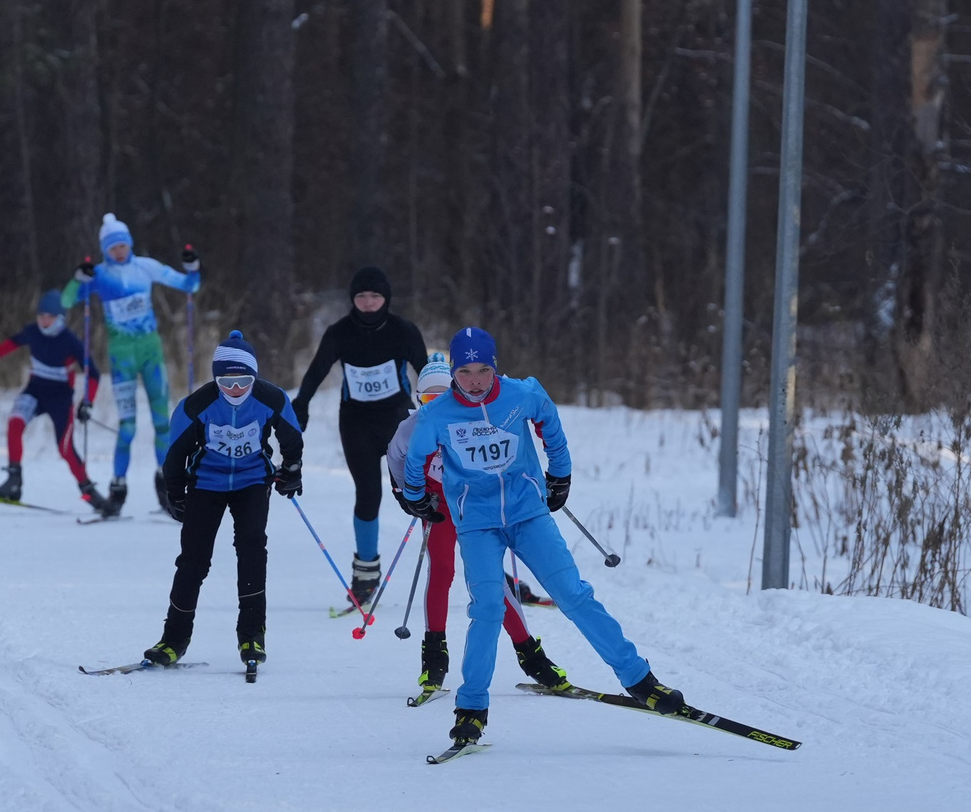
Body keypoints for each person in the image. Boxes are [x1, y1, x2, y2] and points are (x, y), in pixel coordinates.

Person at [397, 325, 681, 753]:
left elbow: (550, 421)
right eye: (465, 373)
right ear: (453, 373)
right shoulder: (438, 414)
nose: (474, 381)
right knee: (487, 608)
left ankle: (640, 680)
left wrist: (560, 473)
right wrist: (417, 497)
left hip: (528, 513)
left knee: (573, 594)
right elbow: (415, 457)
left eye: (483, 370)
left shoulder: (521, 393)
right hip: (477, 522)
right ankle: (471, 708)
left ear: (495, 367)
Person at [383, 350, 565, 697]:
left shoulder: (474, 417)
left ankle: (530, 655)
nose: (435, 406)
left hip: (474, 508)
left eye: (442, 397)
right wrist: (407, 495)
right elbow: (394, 457)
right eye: (427, 399)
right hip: (440, 509)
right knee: (441, 571)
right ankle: (434, 657)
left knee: (489, 583)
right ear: (418, 399)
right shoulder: (412, 426)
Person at [142, 331, 304, 678]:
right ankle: (173, 639)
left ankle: (252, 636)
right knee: (193, 560)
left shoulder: (271, 398)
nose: (235, 389)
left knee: (251, 550)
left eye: (243, 381)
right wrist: (175, 494)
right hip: (207, 484)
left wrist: (292, 470)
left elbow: (292, 436)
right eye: (226, 382)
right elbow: (175, 455)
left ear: (254, 377)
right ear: (216, 380)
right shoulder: (196, 405)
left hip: (252, 482)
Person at [291, 266, 428, 609]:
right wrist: (301, 404)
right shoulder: (339, 333)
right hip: (356, 423)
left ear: (386, 299)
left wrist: (442, 410)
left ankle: (474, 559)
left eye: (375, 296)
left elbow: (427, 373)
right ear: (352, 299)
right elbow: (317, 371)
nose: (368, 303)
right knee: (367, 493)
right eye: (361, 296)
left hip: (398, 420)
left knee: (422, 489)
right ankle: (365, 575)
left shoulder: (403, 331)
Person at [65, 212, 202, 516]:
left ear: (130, 244)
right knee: (127, 427)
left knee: (163, 422)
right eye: (113, 247)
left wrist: (193, 267)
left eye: (122, 245)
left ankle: (167, 486)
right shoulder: (100, 274)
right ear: (105, 249)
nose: (119, 251)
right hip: (122, 357)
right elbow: (67, 300)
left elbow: (188, 286)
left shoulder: (145, 266)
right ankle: (118, 489)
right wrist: (78, 279)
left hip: (151, 352)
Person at [0, 289, 104, 509]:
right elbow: (12, 343)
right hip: (35, 391)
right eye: (41, 315)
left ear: (60, 318)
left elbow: (94, 374)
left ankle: (89, 492)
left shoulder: (70, 341)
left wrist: (87, 402)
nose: (44, 320)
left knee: (65, 448)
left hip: (60, 399)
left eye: (50, 316)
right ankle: (14, 481)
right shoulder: (33, 332)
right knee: (15, 424)